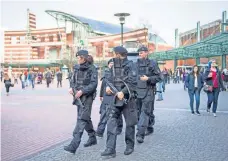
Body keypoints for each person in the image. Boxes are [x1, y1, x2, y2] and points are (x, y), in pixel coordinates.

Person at [101, 46, 137, 158]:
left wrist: (123, 91)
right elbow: (110, 79)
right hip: (115, 98)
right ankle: (110, 149)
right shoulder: (113, 65)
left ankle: (130, 145)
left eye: (114, 53)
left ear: (118, 54)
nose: (113, 55)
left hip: (128, 98)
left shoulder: (131, 65)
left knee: (130, 123)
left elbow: (133, 82)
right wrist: (108, 87)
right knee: (111, 122)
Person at [64, 50, 98, 154]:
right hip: (78, 97)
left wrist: (82, 91)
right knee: (85, 117)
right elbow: (72, 80)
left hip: (87, 97)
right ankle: (92, 138)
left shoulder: (92, 69)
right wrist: (71, 88)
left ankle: (73, 145)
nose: (77, 59)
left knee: (82, 118)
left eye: (79, 58)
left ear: (84, 58)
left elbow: (93, 84)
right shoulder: (76, 68)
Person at [135, 46, 161, 144]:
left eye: (141, 52)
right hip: (137, 91)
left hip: (149, 91)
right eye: (139, 53)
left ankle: (140, 134)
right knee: (139, 112)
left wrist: (149, 79)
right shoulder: (135, 64)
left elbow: (159, 77)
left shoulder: (153, 63)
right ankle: (149, 126)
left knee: (145, 112)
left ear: (146, 53)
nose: (140, 54)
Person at [96, 59, 123, 137]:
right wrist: (101, 95)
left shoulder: (118, 74)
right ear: (108, 65)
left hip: (115, 97)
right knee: (103, 113)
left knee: (117, 114)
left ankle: (118, 128)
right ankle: (100, 131)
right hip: (106, 97)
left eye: (113, 63)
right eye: (110, 63)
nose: (111, 65)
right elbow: (103, 86)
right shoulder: (106, 74)